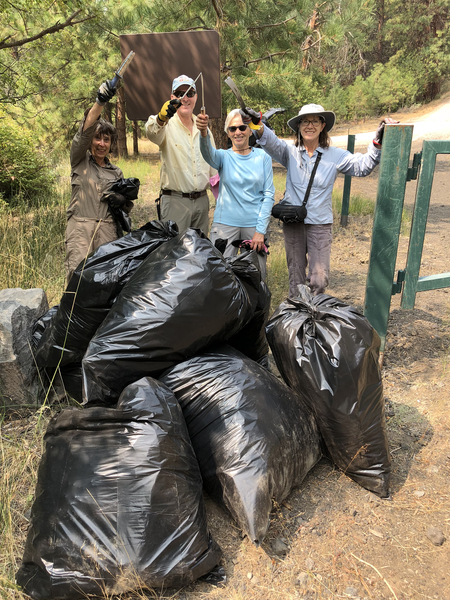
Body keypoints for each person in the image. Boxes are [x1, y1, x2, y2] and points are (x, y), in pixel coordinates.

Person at [243, 103, 397, 297]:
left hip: (320, 225)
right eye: (305, 121)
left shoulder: (335, 155)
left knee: (319, 278)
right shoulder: (289, 152)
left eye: (315, 121)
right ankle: (295, 319)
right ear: (298, 126)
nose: (310, 125)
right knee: (295, 276)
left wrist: (377, 141)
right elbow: (269, 140)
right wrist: (257, 123)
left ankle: (313, 313)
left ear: (323, 125)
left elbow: (362, 166)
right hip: (293, 223)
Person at [196, 109, 275, 280]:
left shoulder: (262, 157)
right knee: (220, 277)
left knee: (255, 278)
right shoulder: (223, 157)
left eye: (242, 127)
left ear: (249, 130)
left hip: (254, 227)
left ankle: (257, 308)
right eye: (233, 129)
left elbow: (268, 195)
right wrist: (203, 133)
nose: (238, 132)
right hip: (224, 225)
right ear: (228, 132)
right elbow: (207, 153)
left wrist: (260, 231)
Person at [65, 79, 127, 285]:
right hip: (80, 229)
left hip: (108, 230)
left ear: (111, 144)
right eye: (98, 138)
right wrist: (100, 101)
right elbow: (84, 132)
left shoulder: (116, 173)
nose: (101, 144)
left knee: (106, 283)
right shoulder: (79, 160)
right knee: (77, 281)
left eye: (106, 140)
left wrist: (123, 201)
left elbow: (126, 209)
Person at [145, 75, 217, 235]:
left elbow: (214, 170)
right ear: (172, 98)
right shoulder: (165, 124)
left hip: (202, 202)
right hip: (175, 203)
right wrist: (161, 118)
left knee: (200, 254)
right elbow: (151, 132)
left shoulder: (204, 129)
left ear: (196, 97)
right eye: (179, 94)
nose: (185, 98)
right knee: (174, 255)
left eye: (190, 94)